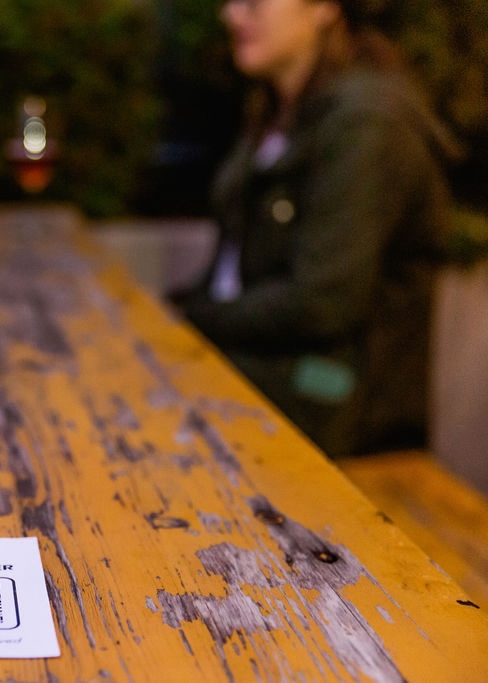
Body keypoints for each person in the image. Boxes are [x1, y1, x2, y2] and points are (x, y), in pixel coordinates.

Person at [173, 0, 459, 457]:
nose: (232, 15)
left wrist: (196, 319)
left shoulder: (367, 120)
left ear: (325, 7)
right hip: (264, 370)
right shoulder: (280, 109)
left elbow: (322, 302)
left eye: (253, 1)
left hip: (331, 396)